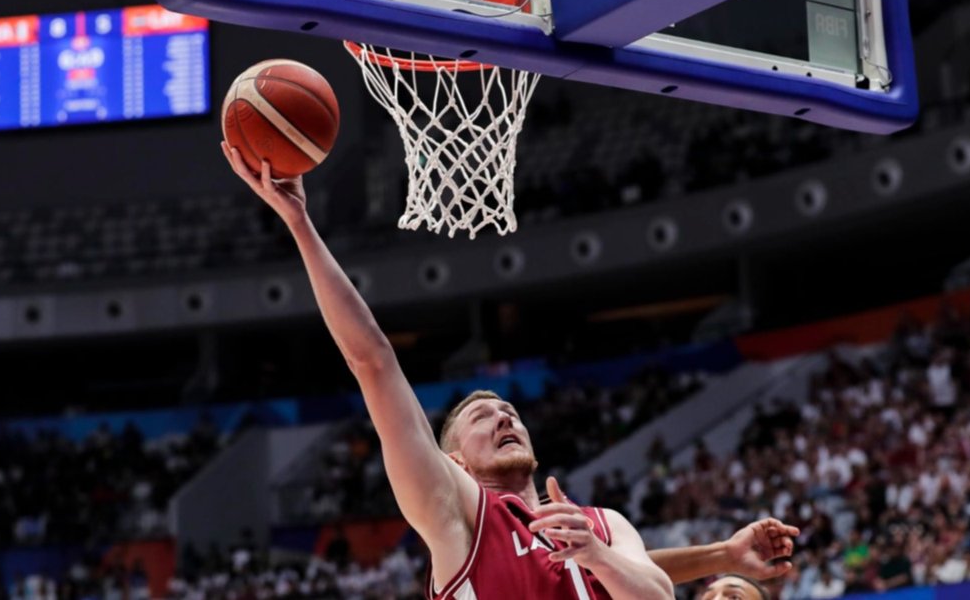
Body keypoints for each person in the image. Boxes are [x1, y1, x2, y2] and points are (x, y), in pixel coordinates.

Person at [222, 146, 798, 599]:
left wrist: (600, 554)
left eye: (510, 411)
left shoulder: (598, 522)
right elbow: (372, 361)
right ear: (454, 461)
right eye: (481, 415)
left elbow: (650, 591)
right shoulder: (454, 513)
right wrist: (298, 222)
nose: (503, 414)